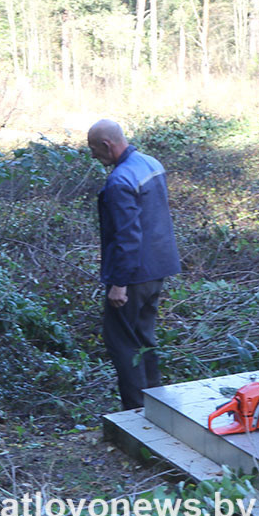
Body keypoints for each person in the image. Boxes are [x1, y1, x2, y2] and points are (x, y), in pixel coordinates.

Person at [88, 120, 181, 410]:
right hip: (158, 268)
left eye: (93, 149)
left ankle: (136, 414)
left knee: (122, 343)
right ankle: (157, 406)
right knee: (144, 338)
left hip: (134, 274)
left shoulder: (119, 181)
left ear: (107, 145)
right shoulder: (150, 163)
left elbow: (127, 236)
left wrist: (119, 284)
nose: (92, 155)